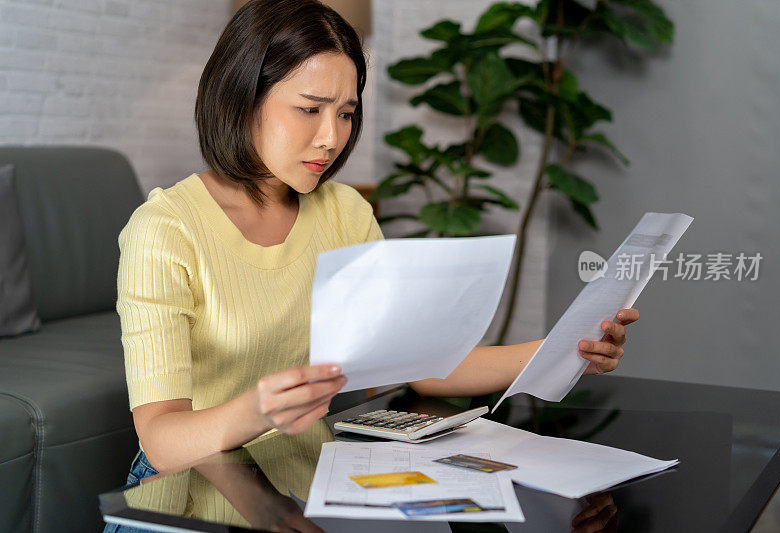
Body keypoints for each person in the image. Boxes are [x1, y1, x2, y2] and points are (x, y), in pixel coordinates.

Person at [114, 0, 638, 502]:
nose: (331, 137)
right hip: (192, 491)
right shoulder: (165, 229)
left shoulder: (344, 212)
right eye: (309, 109)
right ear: (241, 97)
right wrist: (259, 410)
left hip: (308, 482)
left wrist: (566, 350)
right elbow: (161, 441)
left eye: (345, 113)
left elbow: (422, 365)